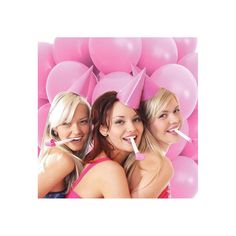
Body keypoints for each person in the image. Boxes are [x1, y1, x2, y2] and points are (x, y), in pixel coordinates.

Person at [66, 91, 145, 198]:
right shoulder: (110, 171)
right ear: (103, 128)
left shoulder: (101, 163)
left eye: (136, 119)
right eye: (120, 122)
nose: (132, 128)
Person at [124, 88, 183, 198]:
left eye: (176, 110)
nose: (175, 120)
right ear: (146, 124)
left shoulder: (142, 157)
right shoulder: (160, 165)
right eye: (162, 115)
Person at [38, 91, 92, 198]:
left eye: (83, 122)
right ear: (54, 129)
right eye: (66, 124)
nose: (76, 131)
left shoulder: (59, 155)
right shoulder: (63, 159)